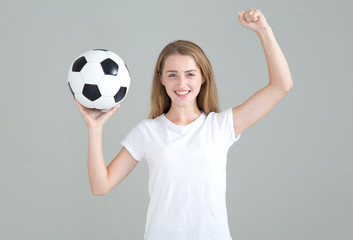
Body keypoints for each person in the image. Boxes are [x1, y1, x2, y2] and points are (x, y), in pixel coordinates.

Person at [74, 8, 293, 240]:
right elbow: (101, 186)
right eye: (172, 75)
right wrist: (94, 129)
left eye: (190, 74)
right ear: (161, 79)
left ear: (203, 77)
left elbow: (281, 85)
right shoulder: (148, 132)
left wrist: (264, 31)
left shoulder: (220, 127)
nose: (181, 83)